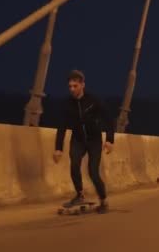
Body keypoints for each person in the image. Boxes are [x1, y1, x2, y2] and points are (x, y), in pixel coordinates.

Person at [53, 70, 114, 213]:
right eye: (70, 86)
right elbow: (61, 127)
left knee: (93, 172)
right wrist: (58, 148)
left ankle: (103, 200)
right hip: (78, 140)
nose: (72, 89)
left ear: (82, 85)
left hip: (94, 141)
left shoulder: (93, 100)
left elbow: (108, 119)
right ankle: (79, 195)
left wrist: (110, 140)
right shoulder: (67, 104)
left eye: (75, 86)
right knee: (74, 164)